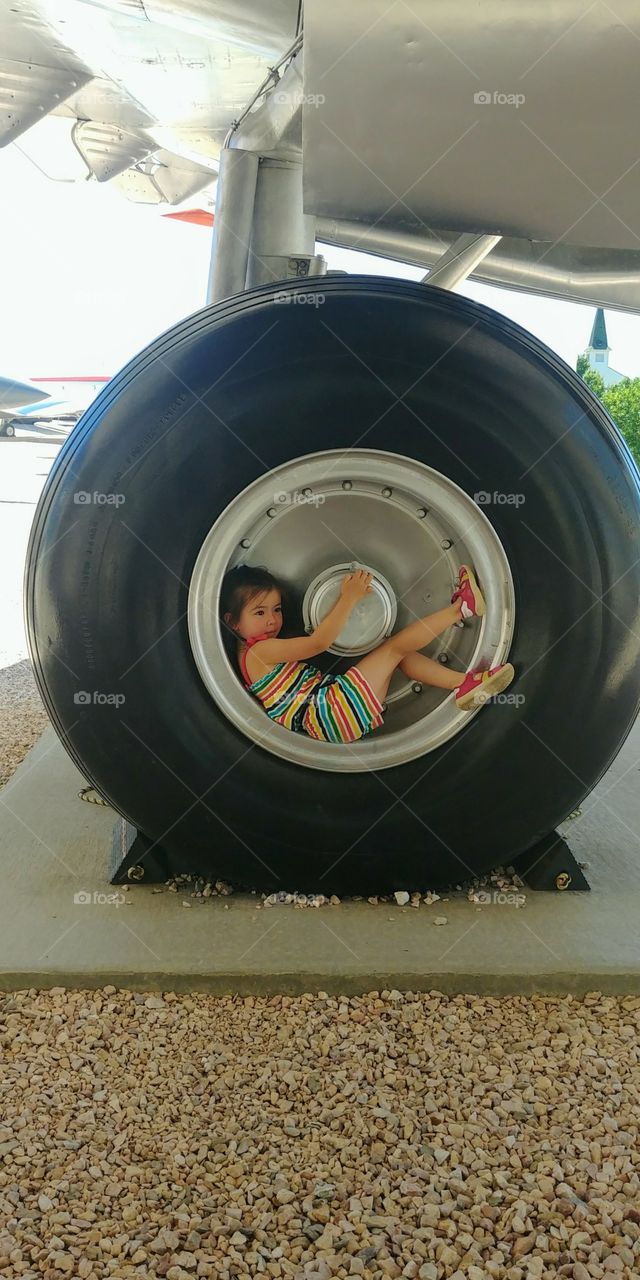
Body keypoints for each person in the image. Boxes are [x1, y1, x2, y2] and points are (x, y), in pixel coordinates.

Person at [220, 562, 515, 744]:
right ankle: (461, 609)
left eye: (277, 609)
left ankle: (463, 685)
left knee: (400, 655)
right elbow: (318, 644)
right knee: (394, 646)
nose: (272, 619)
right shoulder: (261, 650)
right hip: (327, 711)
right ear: (232, 621)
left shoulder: (247, 653)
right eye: (259, 612)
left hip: (329, 717)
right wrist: (349, 598)